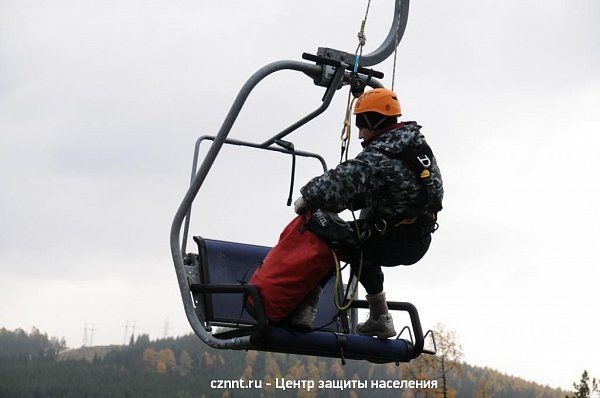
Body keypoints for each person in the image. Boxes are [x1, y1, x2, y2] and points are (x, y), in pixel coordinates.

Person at [290, 88, 444, 338]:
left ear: (375, 120)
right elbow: (393, 188)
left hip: (393, 239)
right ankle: (380, 316)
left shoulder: (381, 155)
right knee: (361, 239)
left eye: (362, 123)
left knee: (328, 233)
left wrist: (308, 197)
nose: (360, 133)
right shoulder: (416, 148)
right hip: (416, 238)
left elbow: (338, 182)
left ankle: (305, 309)